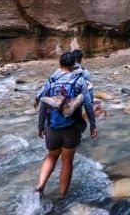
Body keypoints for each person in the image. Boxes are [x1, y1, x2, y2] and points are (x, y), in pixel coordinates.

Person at [34, 52, 98, 197]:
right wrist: (93, 125)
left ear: (60, 64)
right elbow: (88, 104)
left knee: (51, 156)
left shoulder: (50, 81)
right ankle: (62, 195)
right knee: (67, 161)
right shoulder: (80, 81)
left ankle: (40, 185)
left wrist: (40, 127)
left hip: (52, 126)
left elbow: (43, 106)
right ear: (73, 64)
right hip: (71, 127)